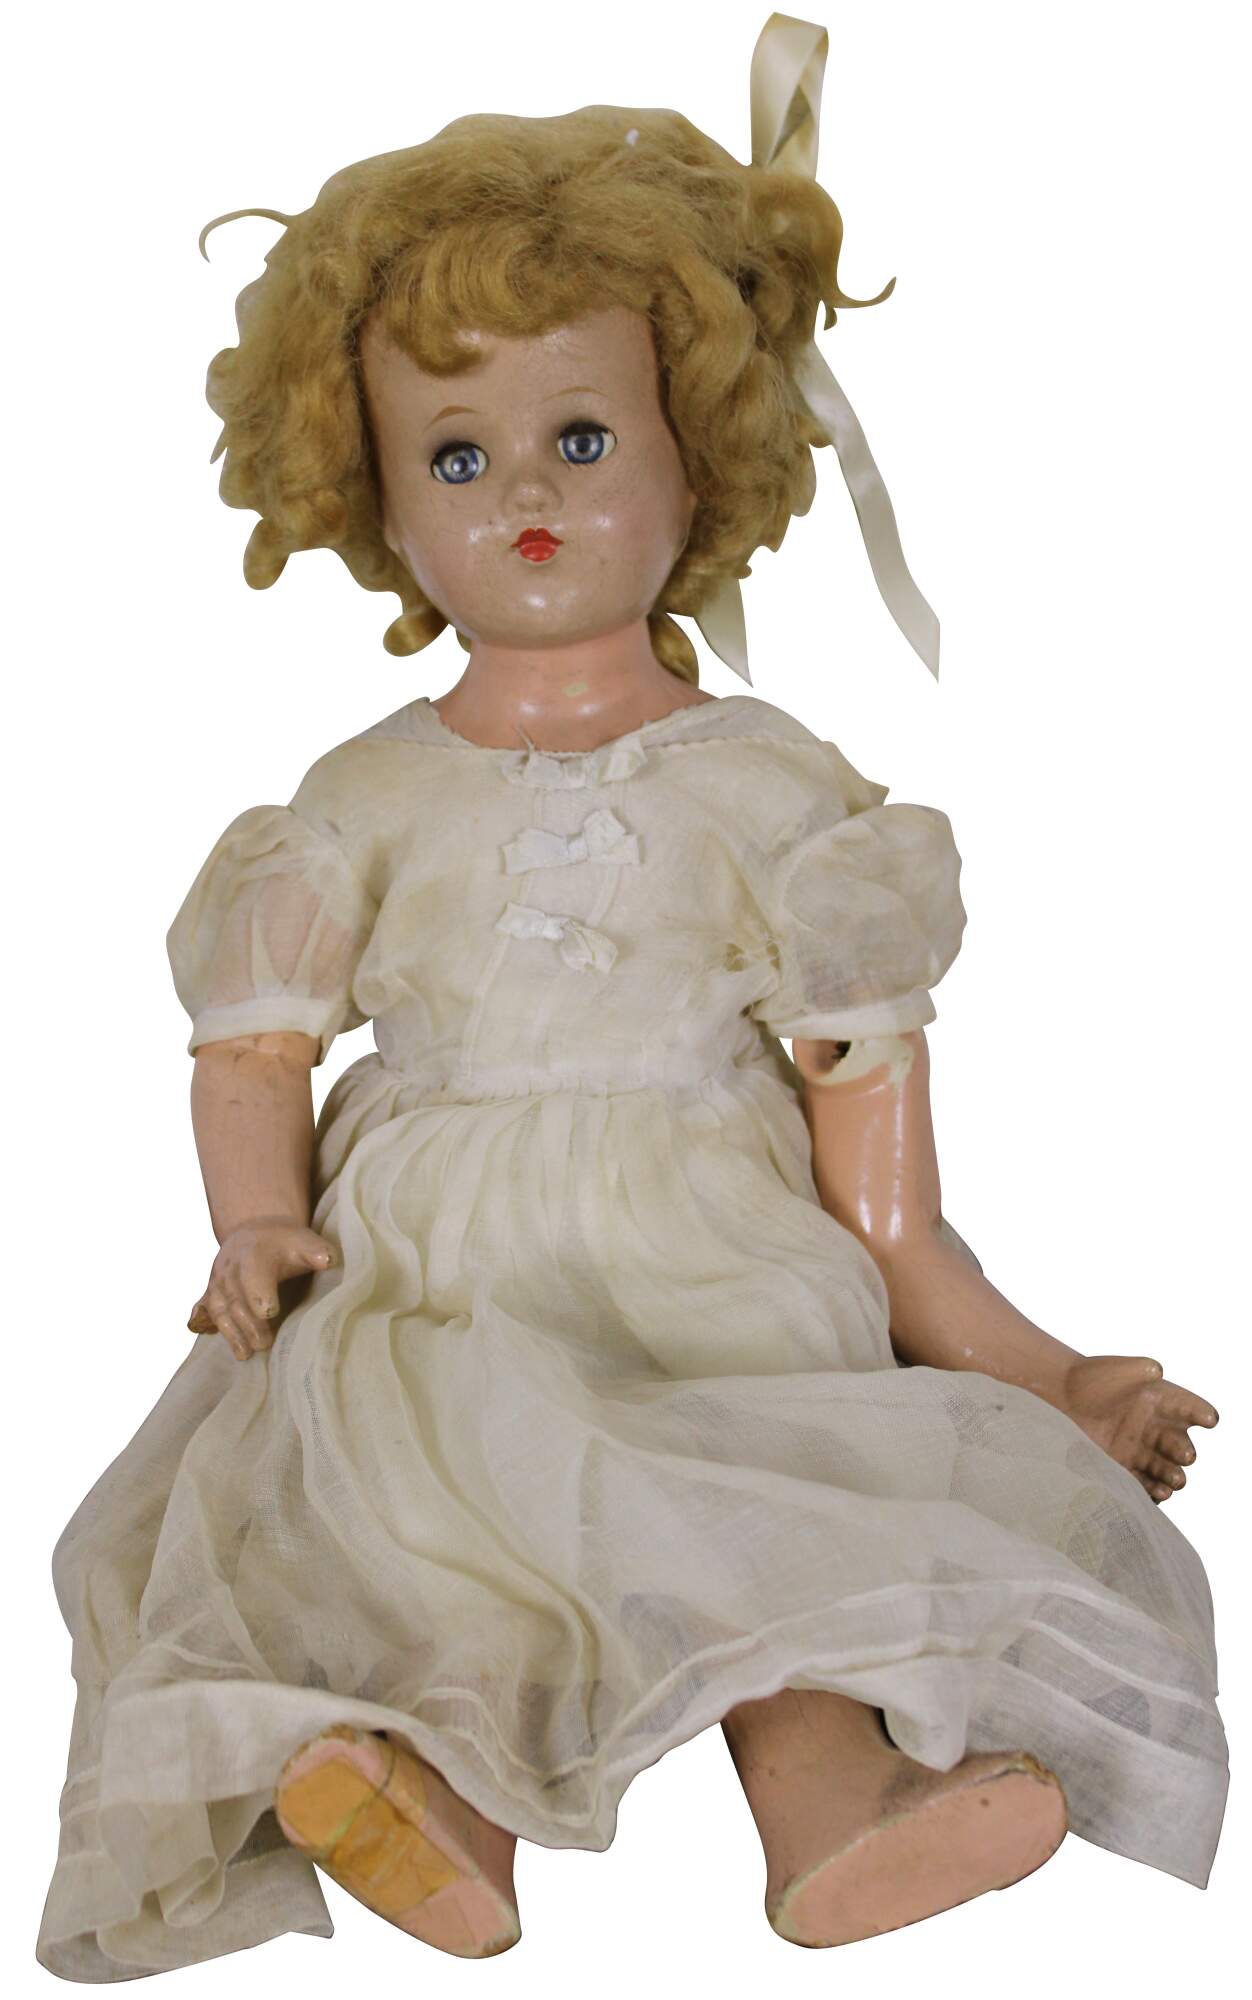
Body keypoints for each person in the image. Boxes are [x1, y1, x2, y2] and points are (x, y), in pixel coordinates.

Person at [36, 14, 1226, 1981]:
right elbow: (251, 1041)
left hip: (716, 1277)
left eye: (580, 438)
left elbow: (888, 1208)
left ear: (701, 446)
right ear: (373, 494)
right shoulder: (362, 799)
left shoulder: (778, 795)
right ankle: (429, 1804)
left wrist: (1042, 1371)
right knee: (422, 1510)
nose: (523, 490)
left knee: (784, 1506)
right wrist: (253, 1218)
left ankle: (834, 1807)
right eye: (457, 452)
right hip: (437, 1277)